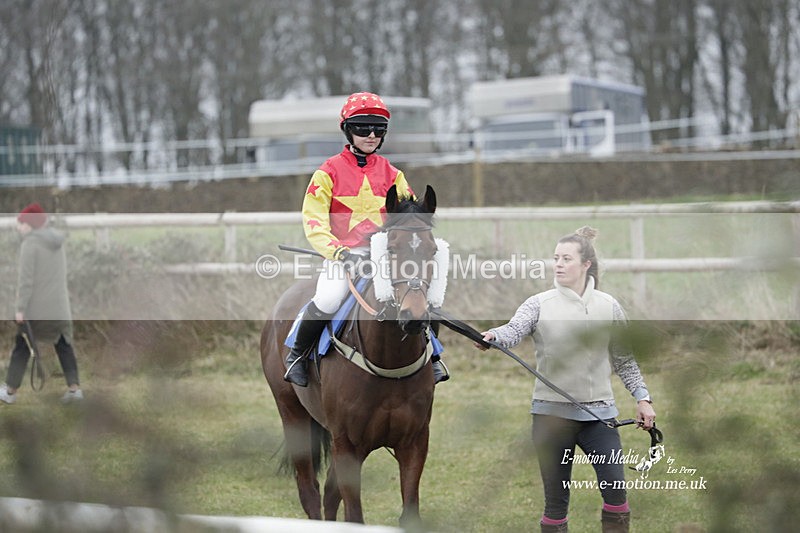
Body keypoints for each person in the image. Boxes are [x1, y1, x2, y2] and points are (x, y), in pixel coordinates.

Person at [475, 227, 656, 533]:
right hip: (550, 418)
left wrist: (642, 398)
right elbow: (514, 329)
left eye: (566, 259)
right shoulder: (538, 303)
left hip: (600, 419)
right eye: (556, 258)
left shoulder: (609, 306)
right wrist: (494, 336)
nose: (558, 264)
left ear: (586, 264)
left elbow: (624, 359)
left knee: (616, 497)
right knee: (556, 505)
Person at [284, 91, 448, 387]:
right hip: (343, 257)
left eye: (379, 129)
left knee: (424, 297)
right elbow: (314, 222)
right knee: (329, 296)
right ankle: (297, 353)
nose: (371, 134)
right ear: (348, 129)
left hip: (387, 256)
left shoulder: (393, 174)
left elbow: (409, 221)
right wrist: (340, 253)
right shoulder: (327, 173)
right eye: (363, 127)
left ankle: (433, 357)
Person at [0, 203, 83, 405]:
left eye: (21, 223)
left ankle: (9, 392)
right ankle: (75, 390)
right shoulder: (56, 242)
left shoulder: (30, 244)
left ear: (30, 225)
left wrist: (20, 309)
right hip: (59, 306)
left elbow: (26, 281)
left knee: (22, 346)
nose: (19, 227)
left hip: (38, 308)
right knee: (64, 344)